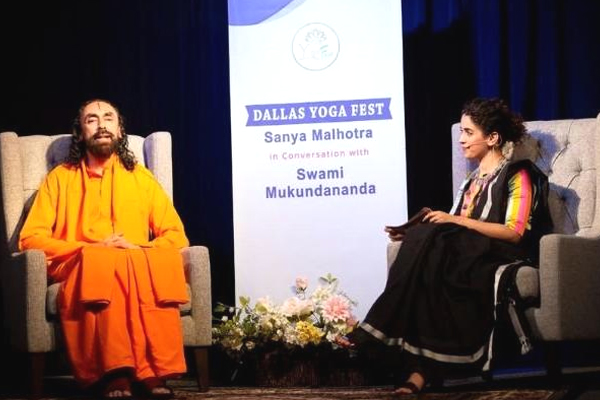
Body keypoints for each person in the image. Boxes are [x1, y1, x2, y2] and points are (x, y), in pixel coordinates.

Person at [349, 97, 552, 395]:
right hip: (466, 250)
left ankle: (378, 329)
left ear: (493, 138)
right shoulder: (470, 181)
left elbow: (514, 233)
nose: (461, 139)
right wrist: (414, 236)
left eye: (469, 132)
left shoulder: (518, 174)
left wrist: (452, 223)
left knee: (433, 238)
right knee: (423, 242)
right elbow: (452, 229)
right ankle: (419, 373)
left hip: (501, 251)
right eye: (462, 132)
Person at [19, 99, 190, 399]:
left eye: (108, 118)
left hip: (133, 261)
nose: (101, 125)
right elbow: (30, 239)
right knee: (102, 260)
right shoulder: (59, 179)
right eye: (92, 119)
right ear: (80, 133)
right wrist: (90, 247)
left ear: (120, 131)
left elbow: (176, 236)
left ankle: (153, 373)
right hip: (80, 263)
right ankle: (115, 375)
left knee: (154, 260)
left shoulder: (141, 178)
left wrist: (137, 248)